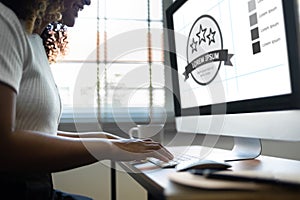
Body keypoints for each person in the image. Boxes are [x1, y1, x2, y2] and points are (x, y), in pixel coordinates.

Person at [0, 0, 174, 199]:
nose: (88, 1)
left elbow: (38, 132)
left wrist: (113, 140)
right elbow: (4, 146)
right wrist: (110, 148)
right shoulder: (4, 23)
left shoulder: (35, 39)